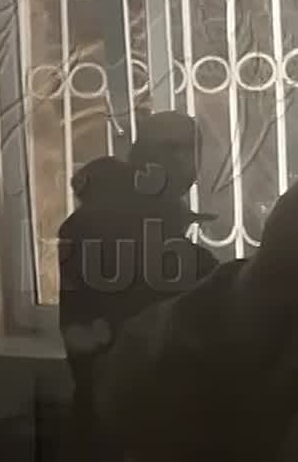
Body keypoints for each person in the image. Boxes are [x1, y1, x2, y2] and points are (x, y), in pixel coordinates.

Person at [56, 111, 221, 461]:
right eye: (167, 148)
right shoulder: (102, 227)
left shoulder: (133, 218)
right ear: (139, 154)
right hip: (130, 422)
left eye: (189, 149)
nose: (182, 162)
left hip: (142, 417)